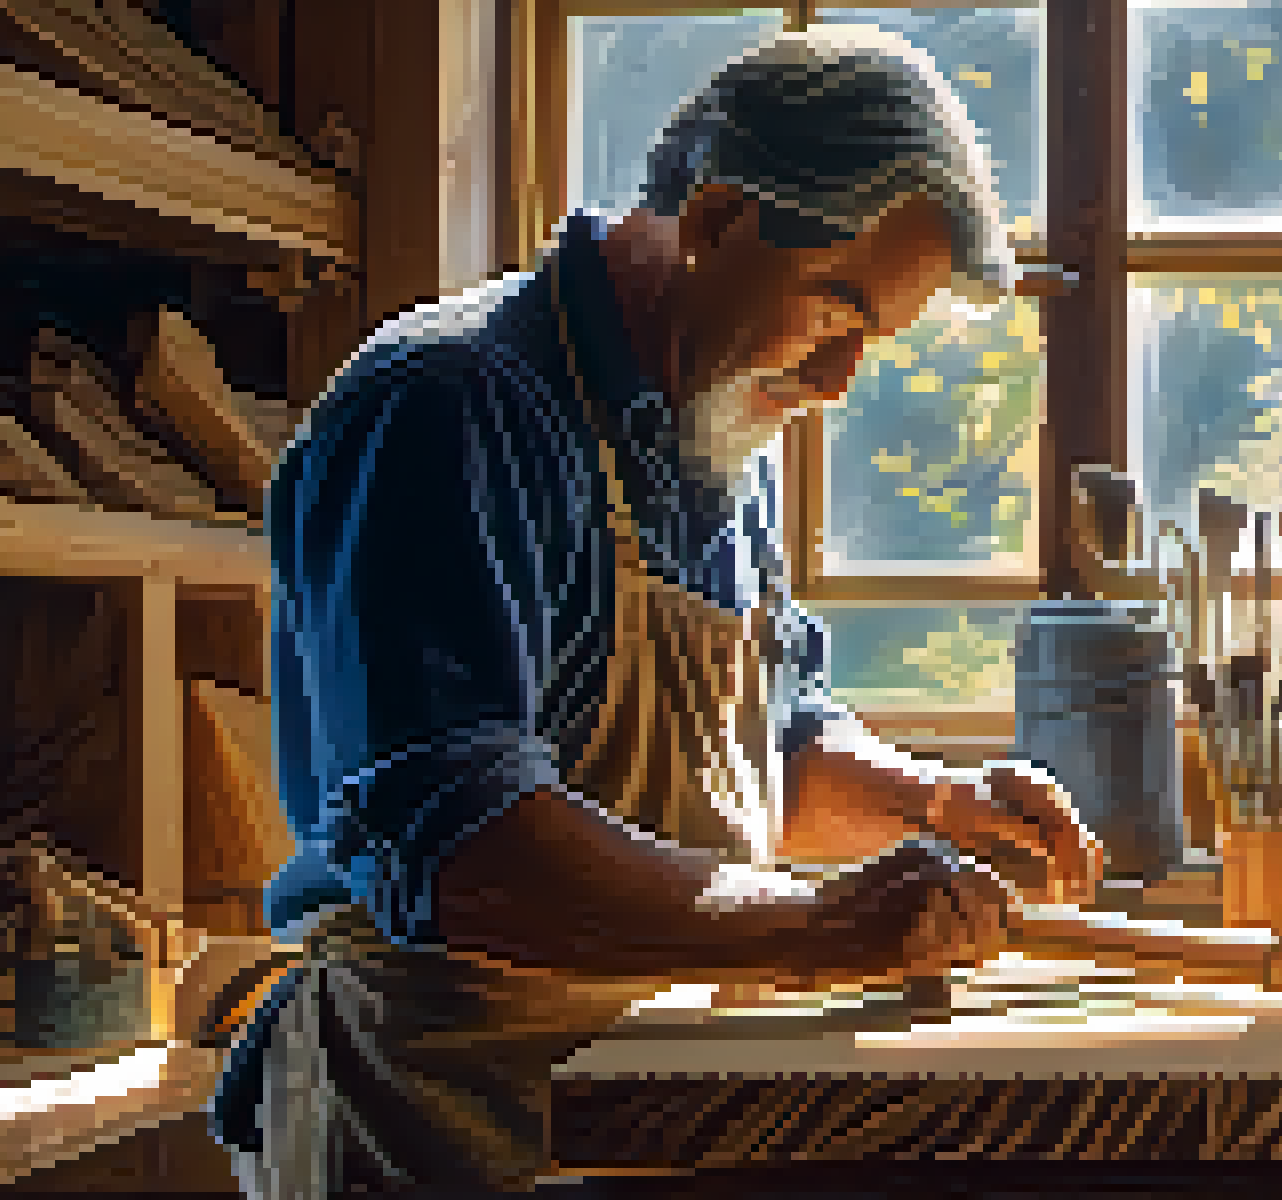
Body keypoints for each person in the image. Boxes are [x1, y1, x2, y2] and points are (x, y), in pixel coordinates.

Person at [210, 26, 1103, 1197]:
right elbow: (470, 854)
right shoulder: (448, 407)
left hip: (644, 1096)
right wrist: (816, 927)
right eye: (833, 309)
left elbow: (768, 755)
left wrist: (926, 802)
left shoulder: (722, 428)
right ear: (719, 218)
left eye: (869, 343)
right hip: (443, 1116)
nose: (837, 384)